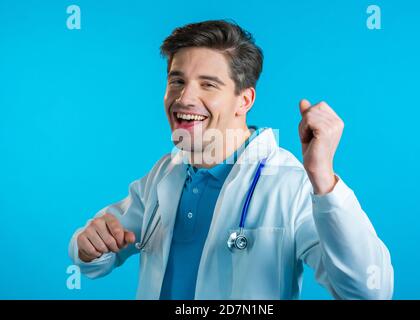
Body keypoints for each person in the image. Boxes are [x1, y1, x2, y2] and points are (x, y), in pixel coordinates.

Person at [69, 19, 394, 299]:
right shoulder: (165, 174)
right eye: (177, 80)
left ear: (244, 100)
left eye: (207, 84)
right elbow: (94, 253)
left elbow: (368, 291)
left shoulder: (290, 183)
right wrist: (89, 244)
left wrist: (323, 177)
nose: (184, 98)